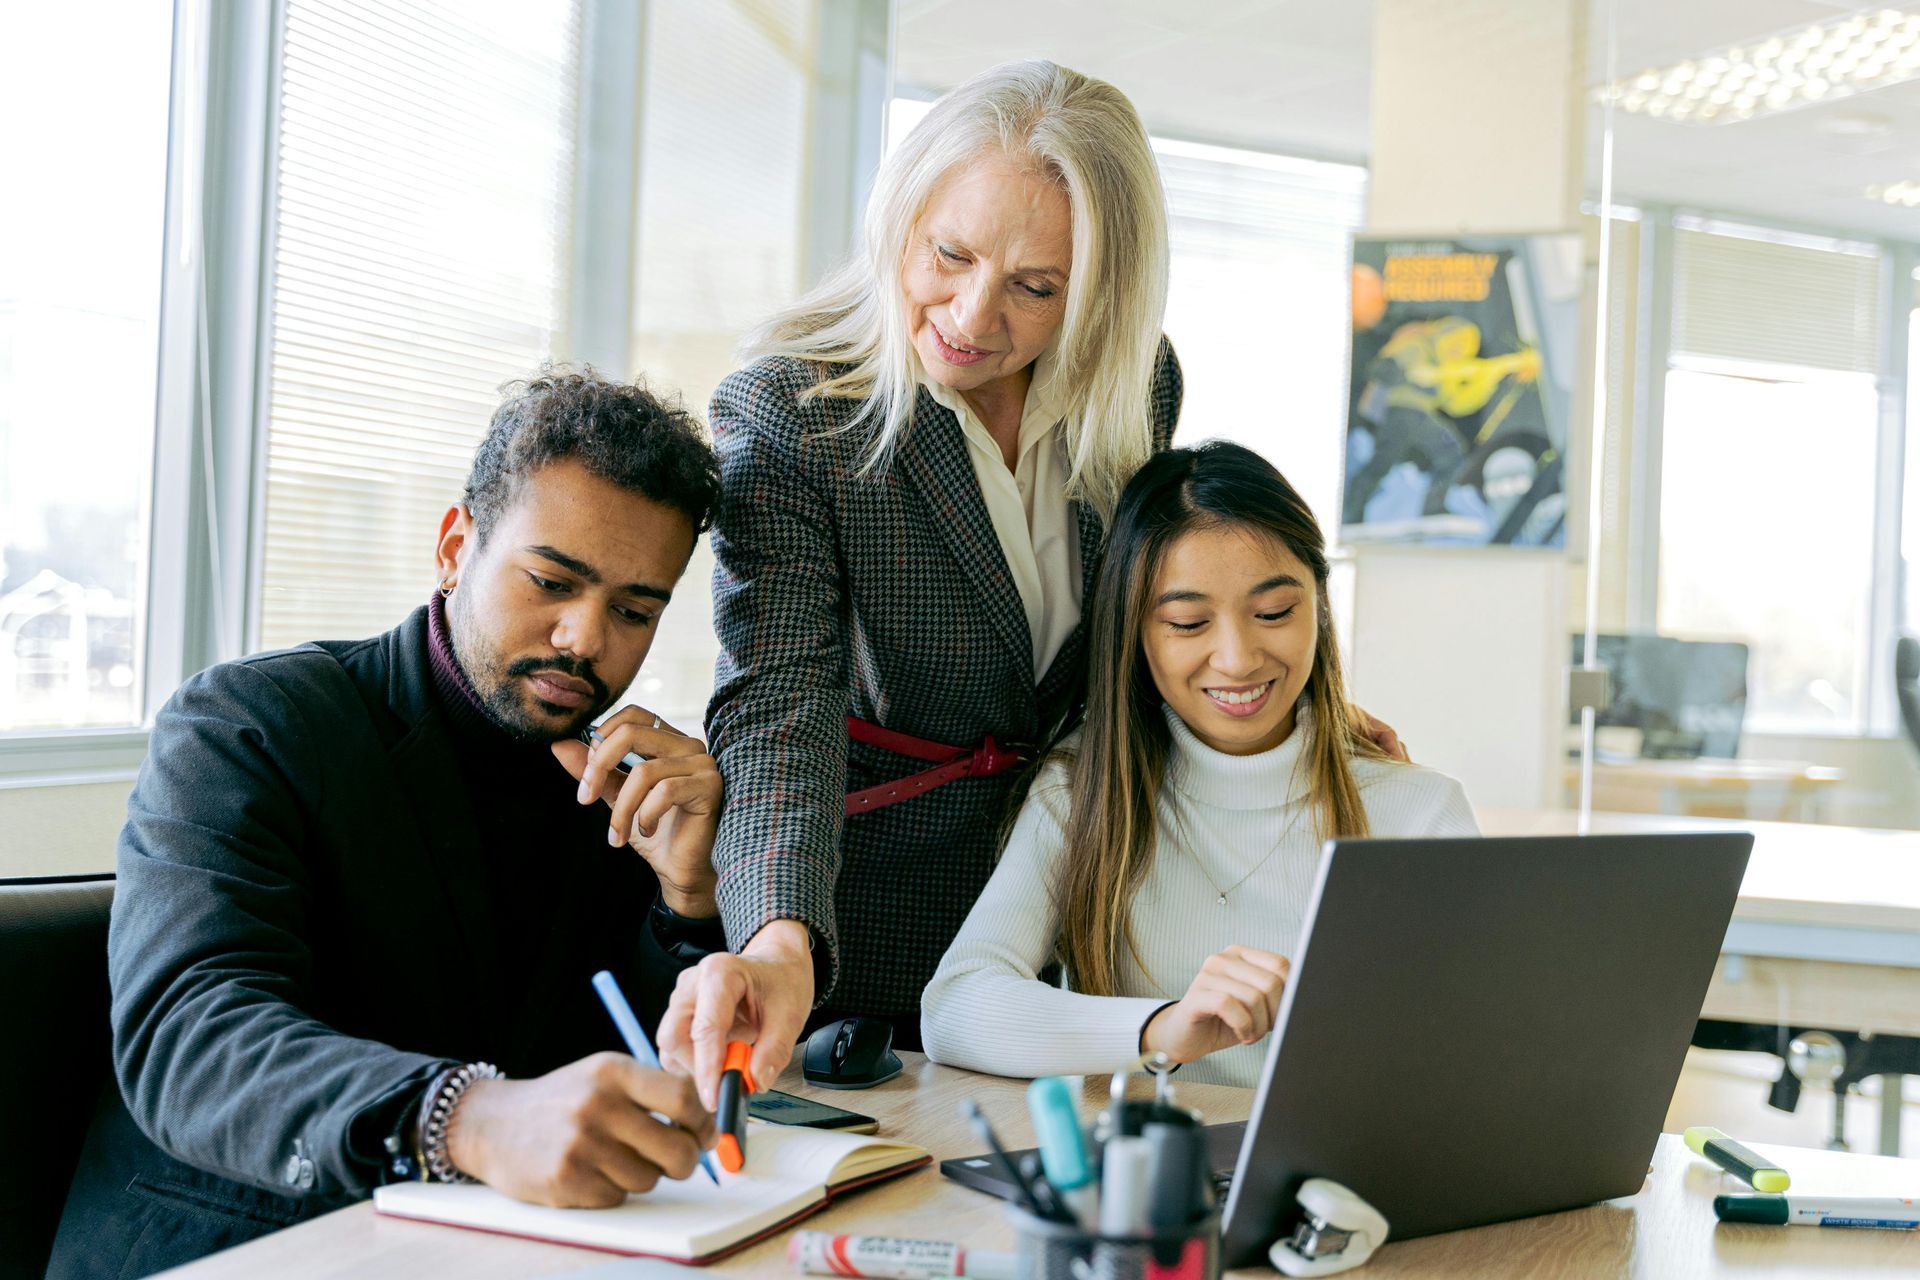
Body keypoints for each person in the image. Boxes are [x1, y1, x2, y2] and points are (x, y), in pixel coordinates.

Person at [49, 371, 727, 1278]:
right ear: (456, 547)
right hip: (240, 1249)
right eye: (552, 580)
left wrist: (687, 900)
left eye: (635, 610)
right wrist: (468, 1116)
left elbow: (615, 1079)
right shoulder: (248, 724)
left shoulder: (617, 788)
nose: (584, 638)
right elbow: (191, 1035)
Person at [654, 59, 1186, 1101]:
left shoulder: (1135, 383)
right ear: (901, 217)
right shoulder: (796, 410)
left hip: (1074, 940)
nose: (974, 315)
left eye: (1038, 289)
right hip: (872, 943)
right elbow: (777, 702)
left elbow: (1149, 617)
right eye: (950, 254)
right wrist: (778, 937)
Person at [920, 441, 1477, 1087]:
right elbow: (955, 1008)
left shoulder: (1419, 810)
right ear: (1134, 632)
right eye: (1188, 623)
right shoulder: (1081, 794)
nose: (1238, 658)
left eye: (1274, 613)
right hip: (1146, 1177)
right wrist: (1161, 1028)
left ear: (1319, 607)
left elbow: (1485, 1054)